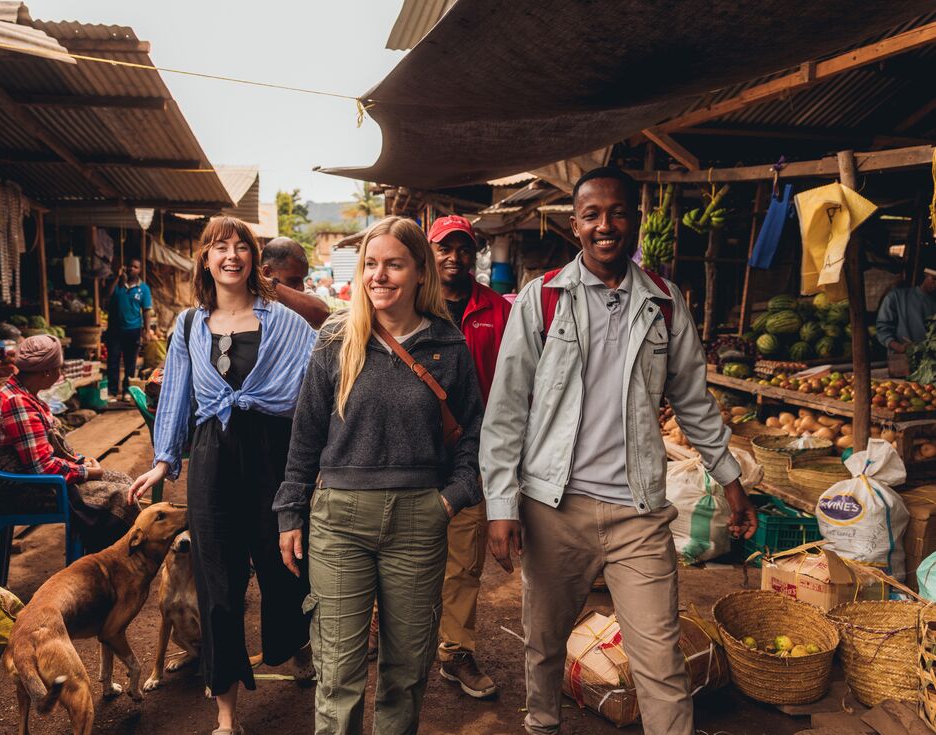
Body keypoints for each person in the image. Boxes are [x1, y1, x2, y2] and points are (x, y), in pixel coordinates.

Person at [480, 167, 757, 735]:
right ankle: (542, 724)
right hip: (554, 507)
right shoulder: (543, 299)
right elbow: (506, 408)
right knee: (543, 641)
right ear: (575, 225)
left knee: (659, 657)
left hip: (639, 511)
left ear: (636, 220)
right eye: (592, 215)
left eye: (618, 213)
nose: (605, 225)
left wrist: (731, 481)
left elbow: (694, 401)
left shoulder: (664, 302)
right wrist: (501, 505)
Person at [274, 215, 485, 735]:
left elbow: (475, 435)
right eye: (371, 264)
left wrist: (451, 498)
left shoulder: (448, 345)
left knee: (406, 673)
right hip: (338, 522)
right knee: (338, 673)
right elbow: (305, 434)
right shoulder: (336, 337)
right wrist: (290, 510)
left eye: (394, 264)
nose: (379, 275)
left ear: (420, 272)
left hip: (419, 520)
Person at [129, 216, 317, 735]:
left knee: (286, 566)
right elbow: (176, 393)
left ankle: (297, 643)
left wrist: (320, 461)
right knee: (218, 586)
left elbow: (316, 387)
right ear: (206, 259)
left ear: (255, 259)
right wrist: (164, 459)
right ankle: (226, 716)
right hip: (212, 459)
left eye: (241, 247)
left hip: (273, 456)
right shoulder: (190, 324)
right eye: (220, 247)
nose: (231, 255)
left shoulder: (286, 323)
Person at [427, 214, 510, 699]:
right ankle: (381, 627)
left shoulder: (497, 311)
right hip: (412, 453)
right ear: (429, 253)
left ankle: (455, 651)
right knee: (396, 551)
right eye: (445, 248)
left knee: (463, 561)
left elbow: (513, 385)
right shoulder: (411, 304)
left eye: (464, 249)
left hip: (473, 452)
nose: (454, 257)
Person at [0, 335, 138, 552]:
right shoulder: (16, 403)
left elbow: (43, 452)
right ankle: (106, 563)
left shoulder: (22, 392)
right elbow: (42, 468)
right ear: (46, 372)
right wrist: (86, 472)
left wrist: (81, 463)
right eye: (59, 368)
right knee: (119, 496)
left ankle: (106, 557)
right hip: (20, 490)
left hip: (32, 478)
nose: (61, 373)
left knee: (125, 482)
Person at [106, 258, 153, 401]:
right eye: (129, 266)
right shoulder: (118, 285)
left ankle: (127, 391)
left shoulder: (143, 288)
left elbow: (146, 310)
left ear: (139, 270)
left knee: (130, 362)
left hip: (133, 330)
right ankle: (113, 392)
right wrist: (117, 277)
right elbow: (108, 295)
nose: (132, 268)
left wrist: (147, 330)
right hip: (114, 329)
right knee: (113, 360)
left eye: (135, 267)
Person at [261, 237, 329, 328]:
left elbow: (323, 314)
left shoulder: (299, 289)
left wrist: (271, 285)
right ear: (267, 272)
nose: (301, 288)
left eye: (302, 280)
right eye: (293, 280)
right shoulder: (248, 297)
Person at [876, 266, 936, 355]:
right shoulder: (896, 297)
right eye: (934, 279)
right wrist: (899, 347)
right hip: (902, 358)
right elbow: (882, 329)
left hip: (930, 359)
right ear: (926, 274)